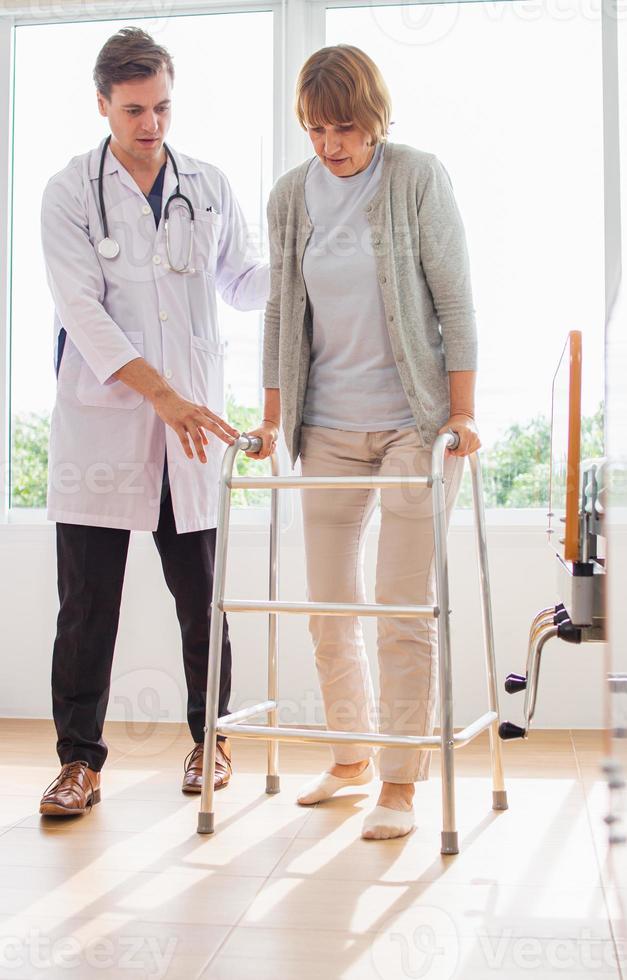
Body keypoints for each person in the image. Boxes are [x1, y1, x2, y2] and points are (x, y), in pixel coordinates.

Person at [249, 44, 480, 840]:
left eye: (344, 127)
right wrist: (274, 420)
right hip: (328, 429)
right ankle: (349, 760)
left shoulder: (415, 177)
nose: (330, 145)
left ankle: (400, 780)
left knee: (398, 611)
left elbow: (454, 299)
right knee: (327, 609)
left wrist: (460, 413)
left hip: (415, 426)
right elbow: (280, 313)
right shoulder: (290, 197)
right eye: (316, 129)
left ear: (374, 117)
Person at [38, 27, 269, 817]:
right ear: (102, 103)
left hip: (189, 432)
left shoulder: (206, 184)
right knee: (87, 607)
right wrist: (165, 397)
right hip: (107, 425)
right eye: (134, 109)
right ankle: (79, 763)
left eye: (163, 107)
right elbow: (86, 315)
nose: (151, 125)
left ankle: (212, 741)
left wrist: (310, 255)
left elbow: (241, 282)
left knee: (204, 597)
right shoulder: (70, 192)